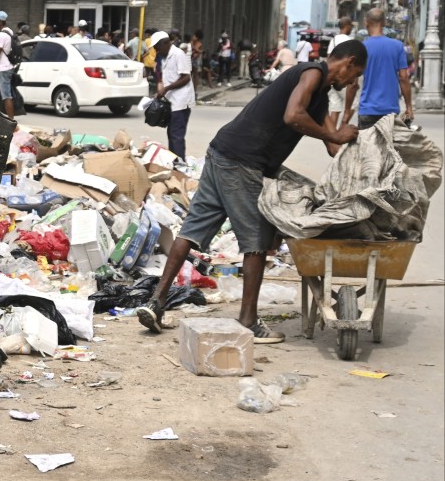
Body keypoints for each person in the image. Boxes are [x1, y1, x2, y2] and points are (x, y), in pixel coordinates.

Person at [135, 40, 367, 343]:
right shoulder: (310, 72)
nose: (353, 82)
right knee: (256, 240)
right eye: (354, 74)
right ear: (347, 62)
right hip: (242, 161)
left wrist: (362, 156)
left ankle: (157, 302)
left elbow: (333, 145)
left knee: (191, 230)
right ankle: (249, 320)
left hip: (222, 151)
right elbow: (293, 116)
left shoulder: (320, 93)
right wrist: (335, 133)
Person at [343, 8, 416, 131]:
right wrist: (409, 107)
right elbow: (403, 78)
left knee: (367, 149)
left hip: (367, 110)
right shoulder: (397, 46)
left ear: (366, 23)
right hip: (390, 111)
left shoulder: (361, 48)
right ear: (384, 23)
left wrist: (346, 112)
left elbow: (353, 84)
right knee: (388, 149)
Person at [150, 30, 195, 161]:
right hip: (172, 100)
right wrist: (161, 92)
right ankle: (175, 162)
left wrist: (166, 89)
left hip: (181, 102)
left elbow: (186, 77)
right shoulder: (165, 56)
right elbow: (167, 77)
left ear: (165, 43)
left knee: (176, 135)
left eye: (157, 47)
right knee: (171, 133)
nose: (157, 50)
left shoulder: (177, 54)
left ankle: (180, 165)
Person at [325, 17, 354, 127]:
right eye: (351, 26)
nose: (351, 28)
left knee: (335, 107)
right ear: (347, 26)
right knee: (353, 103)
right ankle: (342, 128)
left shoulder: (334, 40)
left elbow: (329, 58)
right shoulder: (349, 40)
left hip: (333, 78)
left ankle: (332, 134)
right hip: (345, 78)